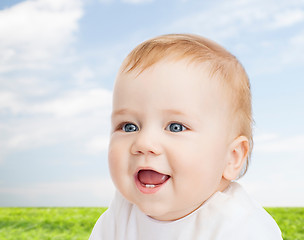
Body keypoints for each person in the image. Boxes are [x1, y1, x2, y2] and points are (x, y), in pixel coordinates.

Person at [89, 34, 283, 239]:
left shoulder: (241, 228)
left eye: (175, 127)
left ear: (232, 157)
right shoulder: (121, 213)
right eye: (129, 127)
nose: (144, 143)